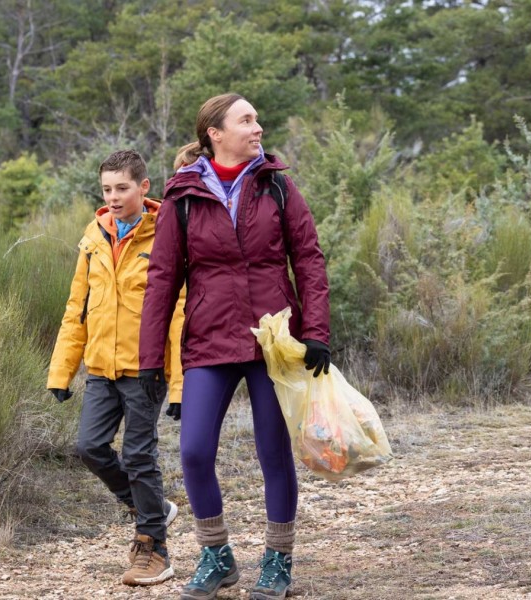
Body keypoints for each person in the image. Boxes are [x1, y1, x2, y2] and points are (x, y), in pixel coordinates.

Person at [139, 93, 331, 600]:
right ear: (214, 134)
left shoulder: (278, 187)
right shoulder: (182, 198)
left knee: (274, 452)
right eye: (246, 120)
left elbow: (308, 259)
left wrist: (316, 332)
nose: (258, 127)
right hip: (209, 339)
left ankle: (277, 559)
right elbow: (161, 281)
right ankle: (216, 555)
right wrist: (148, 359)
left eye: (257, 119)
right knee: (195, 450)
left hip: (274, 340)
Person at [47, 149, 186, 587]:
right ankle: (154, 507)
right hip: (101, 369)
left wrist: (178, 385)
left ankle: (153, 548)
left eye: (122, 188)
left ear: (144, 188)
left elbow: (179, 313)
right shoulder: (93, 237)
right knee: (90, 447)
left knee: (140, 454)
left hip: (146, 370)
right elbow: (77, 309)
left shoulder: (166, 233)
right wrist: (61, 371)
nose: (113, 197)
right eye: (106, 189)